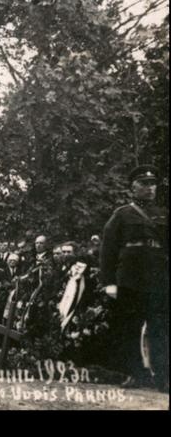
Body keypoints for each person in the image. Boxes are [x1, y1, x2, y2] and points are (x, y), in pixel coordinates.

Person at [100, 165, 168, 391]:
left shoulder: (163, 214)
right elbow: (108, 250)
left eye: (153, 184)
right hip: (130, 279)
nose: (150, 189)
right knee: (129, 328)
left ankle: (162, 377)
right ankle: (134, 374)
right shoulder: (122, 214)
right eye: (144, 184)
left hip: (159, 279)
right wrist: (109, 282)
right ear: (133, 188)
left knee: (160, 328)